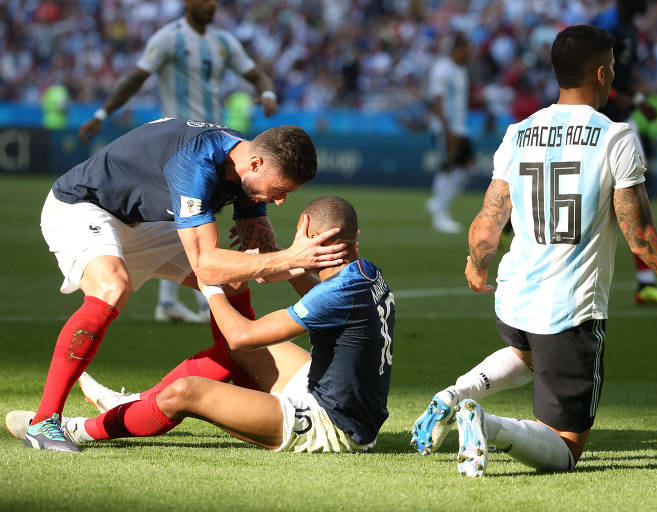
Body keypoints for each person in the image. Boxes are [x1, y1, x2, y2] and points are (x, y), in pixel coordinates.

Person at [410, 25, 657, 478]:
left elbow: (485, 228)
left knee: (528, 353)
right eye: (613, 67)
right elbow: (642, 239)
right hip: (569, 310)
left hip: (514, 299)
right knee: (564, 450)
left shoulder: (518, 133)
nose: (614, 75)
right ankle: (487, 424)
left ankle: (456, 396)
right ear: (600, 73)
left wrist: (477, 264)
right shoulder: (616, 137)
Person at [23, 118, 347, 453]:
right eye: (280, 190)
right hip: (82, 205)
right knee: (112, 287)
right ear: (257, 163)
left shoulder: (247, 170)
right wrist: (292, 259)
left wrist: (287, 256)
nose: (279, 201)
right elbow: (206, 263)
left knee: (234, 282)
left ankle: (234, 389)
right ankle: (44, 422)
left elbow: (261, 262)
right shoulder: (194, 163)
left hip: (142, 222)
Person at [8, 197, 395, 453]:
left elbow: (242, 337)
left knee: (185, 392)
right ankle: (132, 405)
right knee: (238, 351)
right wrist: (284, 259)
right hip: (344, 395)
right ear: (354, 238)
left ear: (304, 223)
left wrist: (209, 282)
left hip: (333, 424)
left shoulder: (336, 294)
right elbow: (304, 291)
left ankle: (78, 429)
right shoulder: (364, 273)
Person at [79, 0, 280, 323]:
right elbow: (135, 78)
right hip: (175, 146)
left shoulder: (223, 41)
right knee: (183, 218)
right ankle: (202, 298)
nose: (211, 4)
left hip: (216, 144)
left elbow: (255, 74)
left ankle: (176, 301)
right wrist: (101, 115)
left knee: (189, 219)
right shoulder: (168, 38)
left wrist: (267, 93)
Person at [591, 0, 657, 306]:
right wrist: (622, 99)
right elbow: (590, 74)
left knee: (634, 198)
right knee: (598, 196)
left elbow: (624, 74)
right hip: (597, 118)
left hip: (619, 119)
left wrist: (639, 98)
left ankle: (645, 283)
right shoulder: (608, 25)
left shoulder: (629, 28)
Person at [425, 32, 473, 234]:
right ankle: (440, 215)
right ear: (457, 50)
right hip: (447, 128)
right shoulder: (442, 69)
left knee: (465, 166)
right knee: (448, 167)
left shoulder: (460, 70)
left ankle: (438, 202)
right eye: (466, 50)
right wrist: (447, 131)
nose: (469, 54)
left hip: (460, 127)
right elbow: (437, 102)